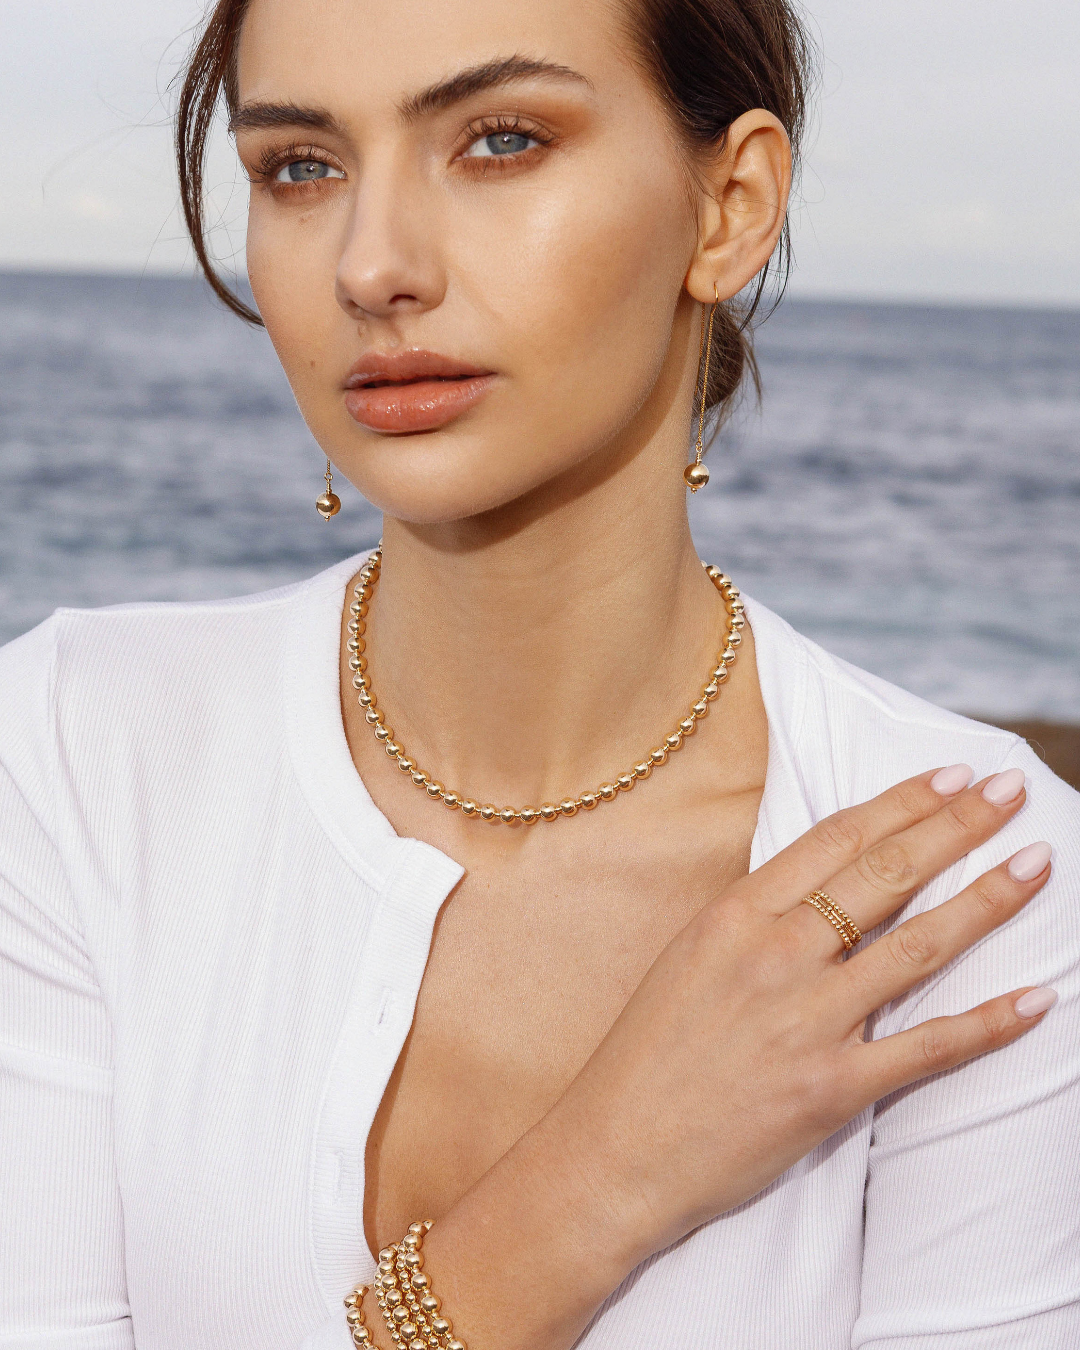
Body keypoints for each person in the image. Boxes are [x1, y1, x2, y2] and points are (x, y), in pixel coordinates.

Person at [2, 0, 1078, 1346]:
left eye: (500, 140)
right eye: (301, 167)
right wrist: (600, 1179)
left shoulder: (973, 883)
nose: (372, 264)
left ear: (729, 206)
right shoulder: (68, 752)